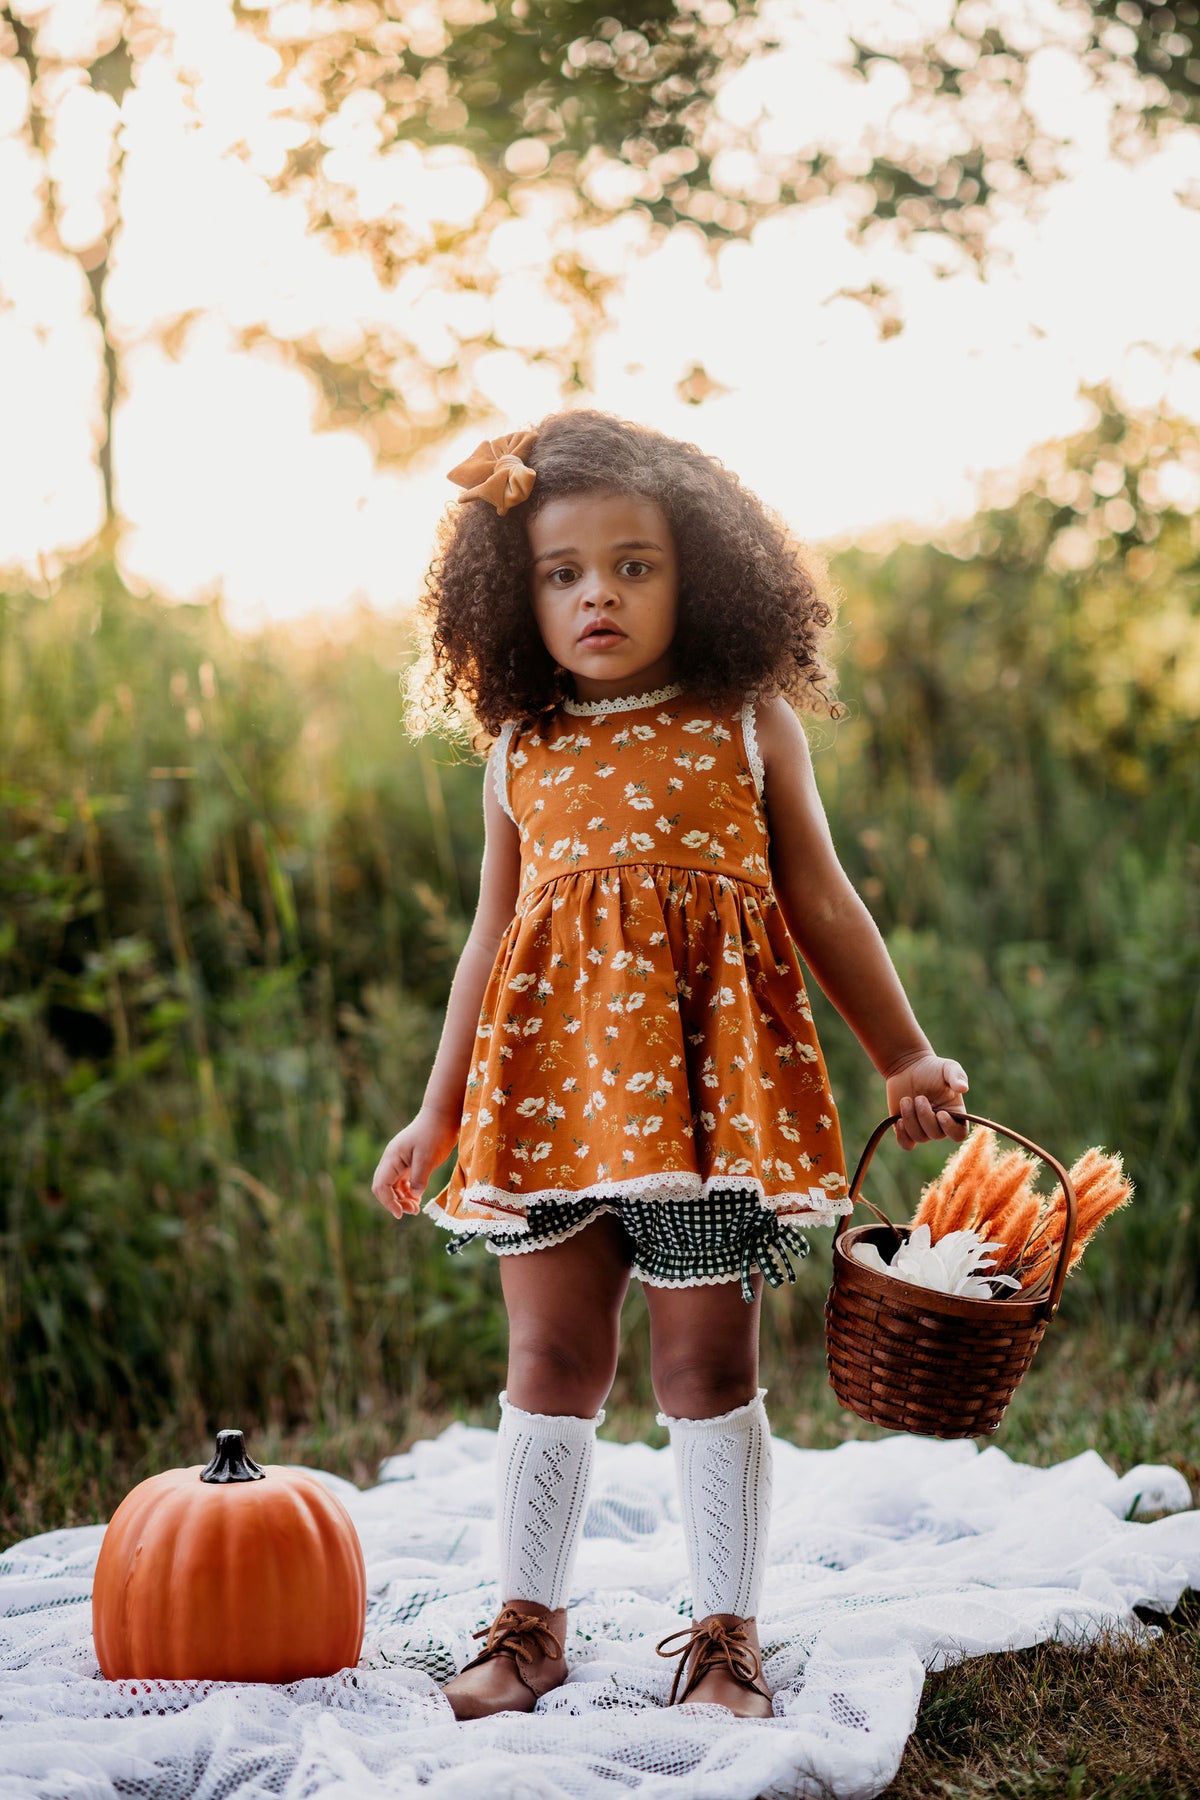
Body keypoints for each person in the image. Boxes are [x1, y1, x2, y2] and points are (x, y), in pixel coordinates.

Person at [372, 410, 970, 1722]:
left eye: (635, 565)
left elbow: (821, 900)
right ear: (511, 595)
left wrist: (904, 1049)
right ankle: (527, 1627)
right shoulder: (521, 752)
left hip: (712, 1104)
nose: (600, 594)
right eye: (564, 571)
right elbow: (490, 940)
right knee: (553, 1359)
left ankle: (721, 1636)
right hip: (542, 1100)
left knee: (704, 1369)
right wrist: (435, 1114)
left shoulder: (743, 722)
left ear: (697, 572)